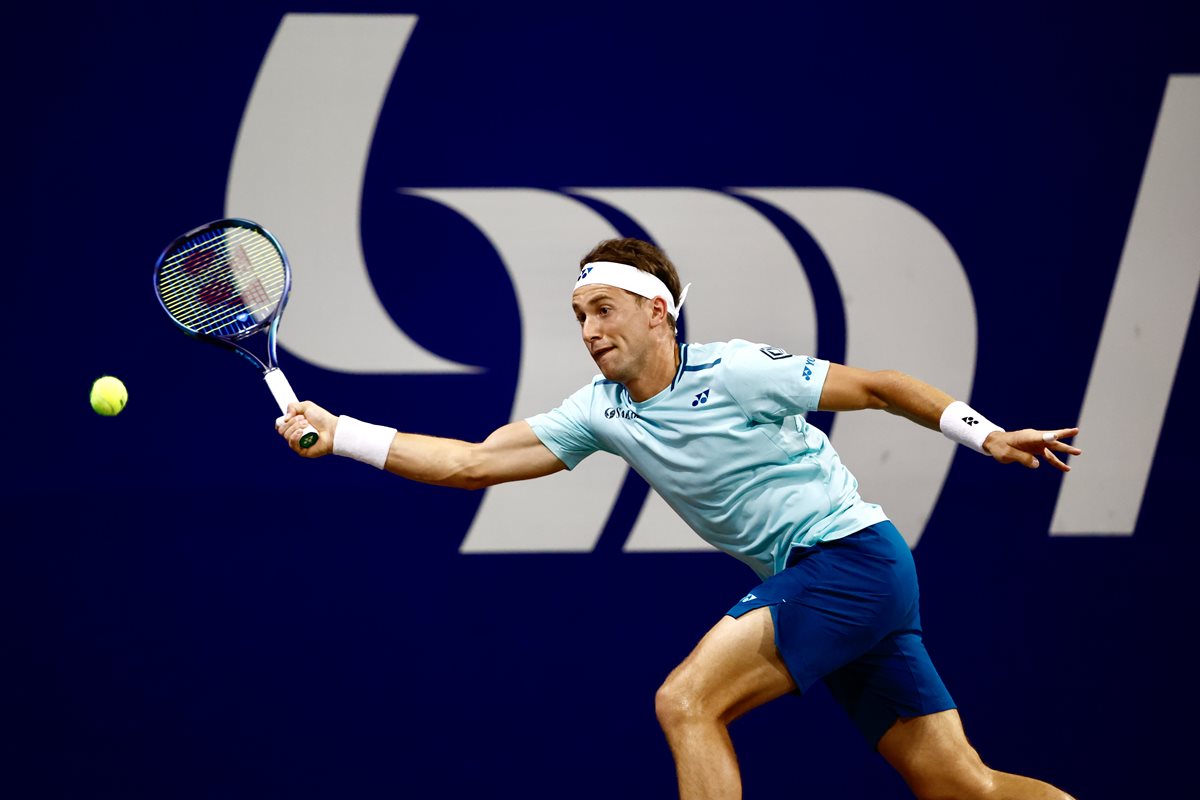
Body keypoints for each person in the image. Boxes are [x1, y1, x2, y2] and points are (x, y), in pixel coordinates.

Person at [277, 237, 1079, 800]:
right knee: (959, 785)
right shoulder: (600, 411)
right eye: (579, 315)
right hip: (837, 580)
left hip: (852, 559)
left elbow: (879, 386)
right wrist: (342, 433)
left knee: (686, 701)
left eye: (604, 309)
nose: (589, 331)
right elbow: (472, 462)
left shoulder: (735, 370)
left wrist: (986, 435)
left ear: (657, 310)